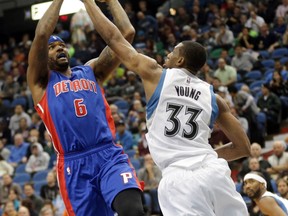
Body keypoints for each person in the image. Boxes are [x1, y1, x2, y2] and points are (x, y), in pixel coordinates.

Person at [81, 0, 251, 215]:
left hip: (179, 179)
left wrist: (90, 2)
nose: (167, 55)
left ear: (180, 60)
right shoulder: (214, 97)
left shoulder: (156, 74)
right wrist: (204, 158)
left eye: (172, 52)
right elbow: (243, 147)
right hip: (215, 173)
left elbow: (116, 38)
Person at [26, 0, 144, 215]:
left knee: (132, 210)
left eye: (61, 44)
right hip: (74, 165)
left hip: (108, 155)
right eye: (51, 48)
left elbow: (126, 34)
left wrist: (100, 2)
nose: (58, 48)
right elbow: (42, 34)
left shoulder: (92, 71)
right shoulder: (40, 82)